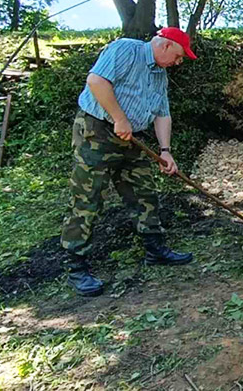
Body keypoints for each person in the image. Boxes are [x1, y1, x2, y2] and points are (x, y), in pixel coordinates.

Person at [61, 27, 197, 297]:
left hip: (132, 137)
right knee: (88, 197)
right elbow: (96, 81)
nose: (178, 62)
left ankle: (155, 250)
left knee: (143, 191)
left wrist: (165, 150)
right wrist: (119, 118)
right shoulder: (126, 49)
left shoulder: (160, 74)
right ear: (166, 45)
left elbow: (162, 113)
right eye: (179, 56)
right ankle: (76, 267)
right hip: (96, 131)